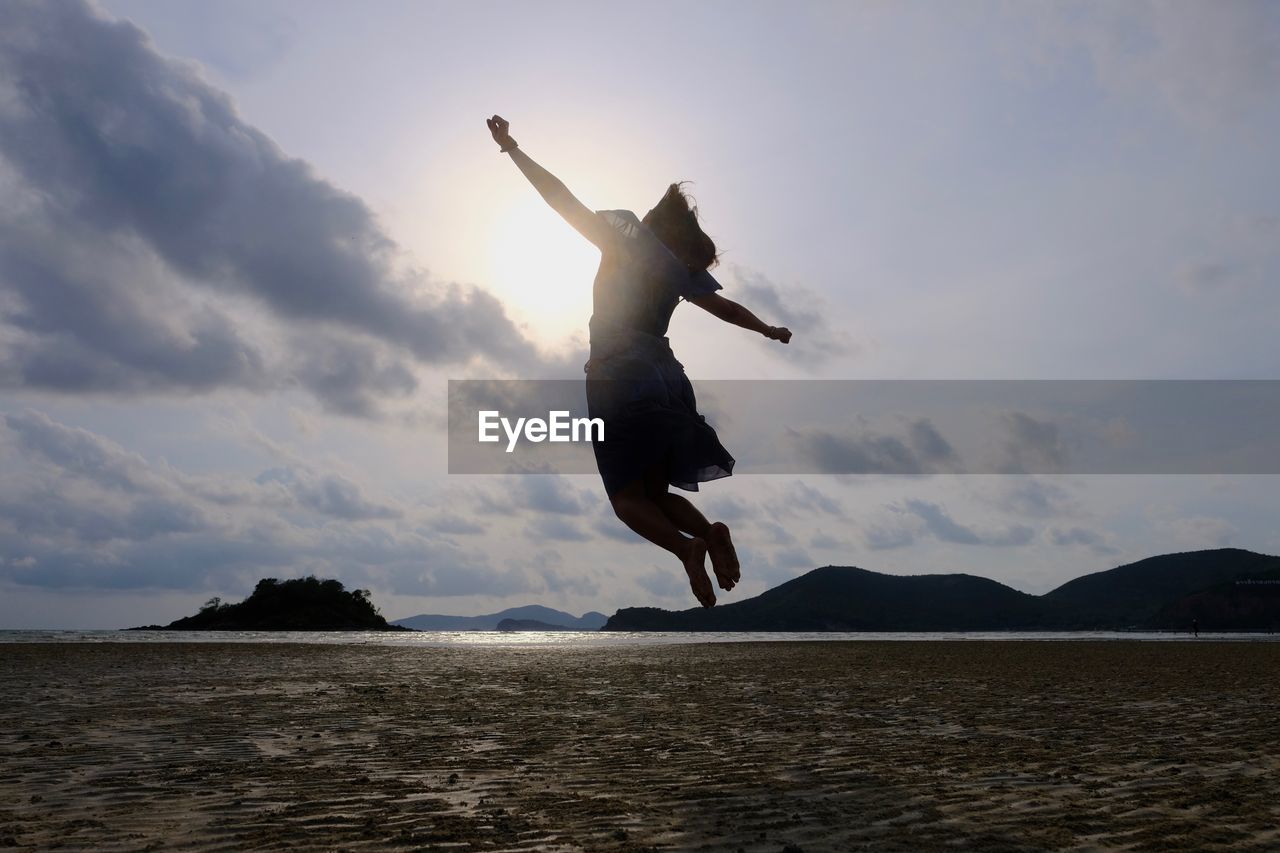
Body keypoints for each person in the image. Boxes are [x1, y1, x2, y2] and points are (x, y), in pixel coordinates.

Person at [487, 115, 792, 607]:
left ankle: (687, 549)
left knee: (626, 500)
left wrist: (512, 149)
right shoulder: (679, 270)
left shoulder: (625, 235)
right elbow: (725, 308)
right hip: (666, 377)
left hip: (616, 371)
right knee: (656, 493)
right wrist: (767, 329)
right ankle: (709, 533)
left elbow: (561, 200)